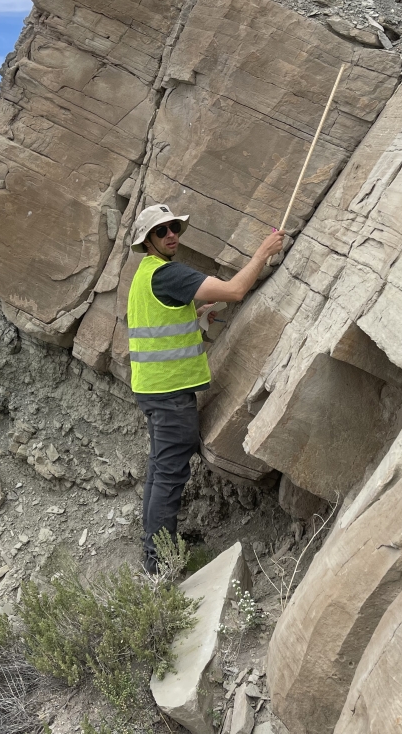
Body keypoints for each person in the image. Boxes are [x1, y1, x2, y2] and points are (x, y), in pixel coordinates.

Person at [127, 204, 284, 574]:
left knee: (159, 472)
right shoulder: (168, 274)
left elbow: (162, 319)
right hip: (169, 394)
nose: (171, 235)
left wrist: (197, 316)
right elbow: (235, 290)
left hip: (153, 390)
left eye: (174, 228)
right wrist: (264, 251)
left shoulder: (146, 274)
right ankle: (158, 567)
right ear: (147, 240)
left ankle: (153, 553)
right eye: (162, 230)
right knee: (168, 477)